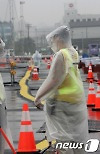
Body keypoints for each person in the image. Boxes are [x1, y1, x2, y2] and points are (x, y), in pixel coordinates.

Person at [34, 26, 88, 154]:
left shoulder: (61, 55)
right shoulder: (73, 52)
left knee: (63, 140)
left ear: (59, 38)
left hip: (62, 104)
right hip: (77, 102)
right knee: (77, 139)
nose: (52, 44)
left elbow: (53, 80)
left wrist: (38, 97)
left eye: (53, 40)